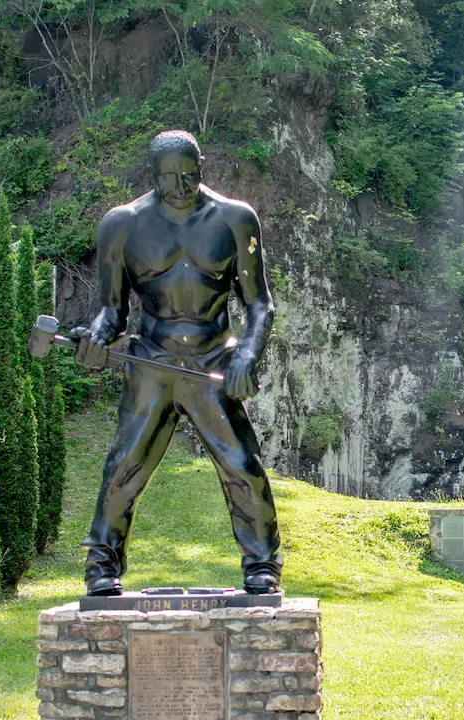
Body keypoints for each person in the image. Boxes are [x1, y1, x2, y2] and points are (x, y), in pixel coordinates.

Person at [70, 129, 282, 596]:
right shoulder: (122, 224)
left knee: (242, 464)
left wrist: (248, 353)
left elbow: (259, 304)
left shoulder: (234, 219)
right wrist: (98, 337)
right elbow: (112, 310)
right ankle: (101, 563)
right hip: (152, 357)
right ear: (152, 175)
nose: (181, 187)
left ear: (202, 166)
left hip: (213, 356)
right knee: (125, 463)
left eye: (190, 175)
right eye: (170, 178)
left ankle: (262, 563)